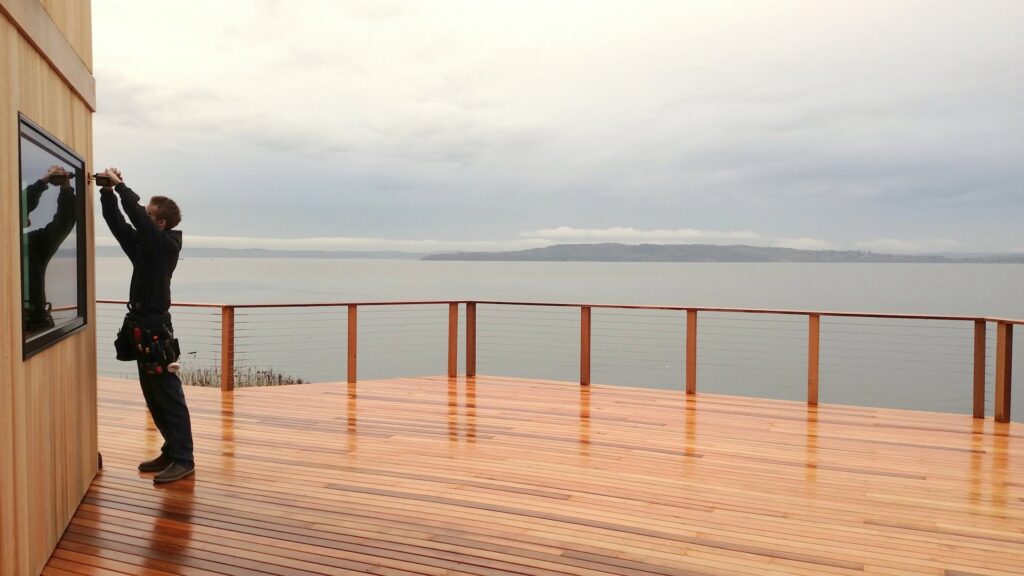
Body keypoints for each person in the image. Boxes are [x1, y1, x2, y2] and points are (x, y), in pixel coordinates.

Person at [98, 167, 195, 484]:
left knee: (168, 393)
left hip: (155, 328)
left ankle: (184, 459)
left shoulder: (165, 247)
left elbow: (137, 218)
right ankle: (171, 450)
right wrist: (107, 193)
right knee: (152, 395)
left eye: (149, 213)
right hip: (140, 324)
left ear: (160, 222)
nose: (143, 215)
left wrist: (122, 187)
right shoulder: (146, 247)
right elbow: (118, 224)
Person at [23, 166, 78, 334]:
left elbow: (64, 220)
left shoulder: (29, 244)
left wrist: (45, 181)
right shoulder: (31, 245)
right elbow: (64, 221)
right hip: (34, 325)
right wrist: (60, 185)